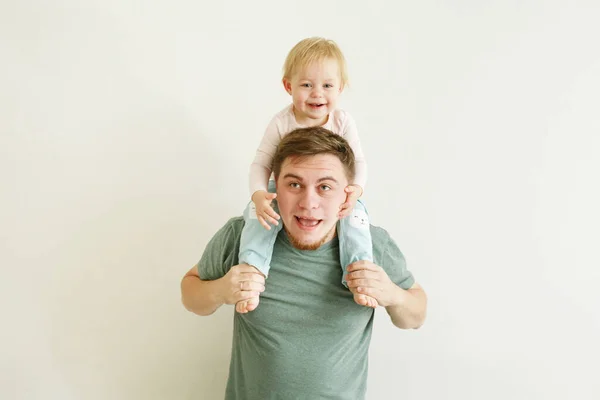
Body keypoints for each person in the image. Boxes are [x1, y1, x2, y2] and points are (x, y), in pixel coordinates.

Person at [181, 128, 427, 400]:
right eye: (294, 184)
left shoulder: (371, 245)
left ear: (348, 195)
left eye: (325, 187)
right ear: (275, 186)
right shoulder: (241, 236)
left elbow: (416, 316)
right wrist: (220, 290)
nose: (309, 203)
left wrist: (392, 295)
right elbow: (190, 294)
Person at [238, 37, 377, 311]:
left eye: (327, 86)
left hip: (334, 193)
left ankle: (358, 270)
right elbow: (261, 163)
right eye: (306, 85)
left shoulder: (342, 122)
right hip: (285, 190)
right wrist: (258, 195)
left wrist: (356, 190)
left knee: (356, 218)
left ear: (340, 88)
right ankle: (252, 271)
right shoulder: (282, 122)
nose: (317, 94)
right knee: (257, 218)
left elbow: (359, 162)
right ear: (288, 86)